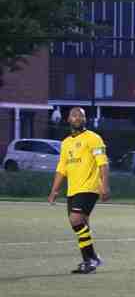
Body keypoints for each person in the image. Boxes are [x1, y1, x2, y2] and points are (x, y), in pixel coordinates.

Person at [46, 106, 109, 273]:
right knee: (81, 224)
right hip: (73, 189)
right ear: (68, 119)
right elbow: (62, 169)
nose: (77, 118)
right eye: (74, 115)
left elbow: (103, 163)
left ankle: (91, 259)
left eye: (81, 115)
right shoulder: (66, 143)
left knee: (75, 219)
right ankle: (90, 260)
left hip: (89, 187)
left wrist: (104, 185)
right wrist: (54, 190)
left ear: (85, 119)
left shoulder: (93, 138)